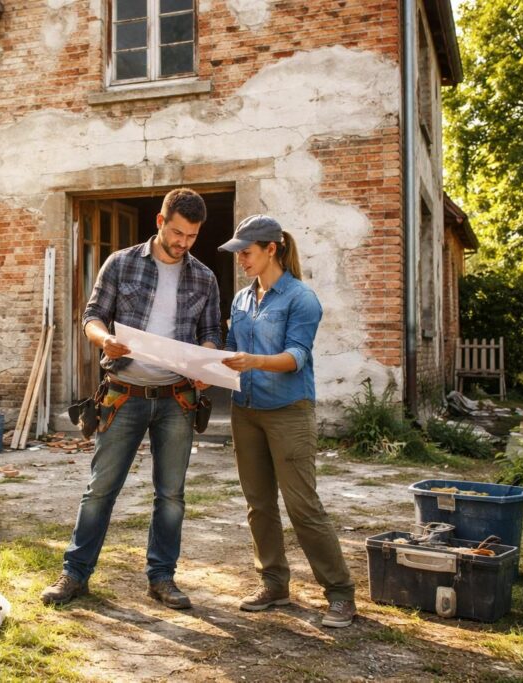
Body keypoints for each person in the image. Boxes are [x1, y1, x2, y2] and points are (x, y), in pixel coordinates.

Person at [41, 188, 221, 610]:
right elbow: (91, 316)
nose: (183, 243)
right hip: (124, 394)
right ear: (160, 222)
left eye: (192, 237)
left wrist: (207, 358)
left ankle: (162, 579)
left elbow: (212, 332)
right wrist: (106, 340)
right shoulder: (120, 263)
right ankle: (75, 574)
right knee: (101, 489)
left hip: (178, 399)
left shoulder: (205, 277)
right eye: (177, 233)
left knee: (171, 494)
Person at [218, 214, 356, 628]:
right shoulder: (241, 300)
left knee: (303, 506)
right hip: (246, 411)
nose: (241, 259)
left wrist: (255, 361)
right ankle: (274, 585)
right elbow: (229, 348)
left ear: (271, 249)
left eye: (246, 252)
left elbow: (298, 356)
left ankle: (340, 594)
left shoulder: (301, 298)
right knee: (258, 505)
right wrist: (205, 363)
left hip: (289, 413)